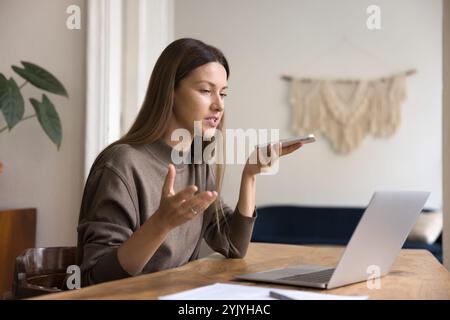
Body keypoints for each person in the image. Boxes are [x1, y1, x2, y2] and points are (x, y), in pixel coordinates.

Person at [77, 38, 303, 286]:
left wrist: (250, 175)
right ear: (170, 91)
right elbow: (96, 276)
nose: (218, 105)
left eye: (223, 93)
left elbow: (233, 245)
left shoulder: (197, 161)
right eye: (206, 91)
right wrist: (160, 224)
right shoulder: (120, 164)